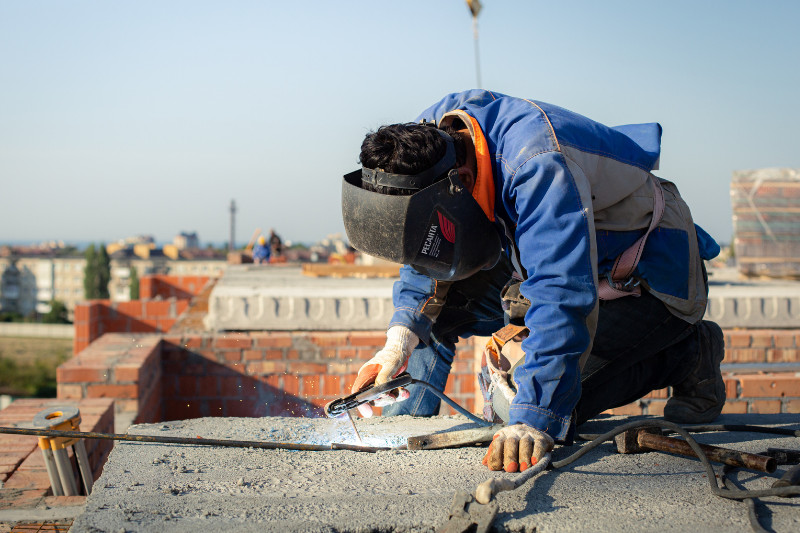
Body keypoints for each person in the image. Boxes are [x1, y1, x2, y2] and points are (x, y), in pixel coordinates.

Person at [341, 90, 725, 473]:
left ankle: (687, 355)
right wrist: (398, 343)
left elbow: (561, 294)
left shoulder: (537, 165)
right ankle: (402, 428)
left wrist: (531, 417)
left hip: (649, 277)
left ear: (461, 180)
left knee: (533, 406)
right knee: (429, 319)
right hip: (556, 262)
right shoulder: (431, 139)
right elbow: (426, 252)